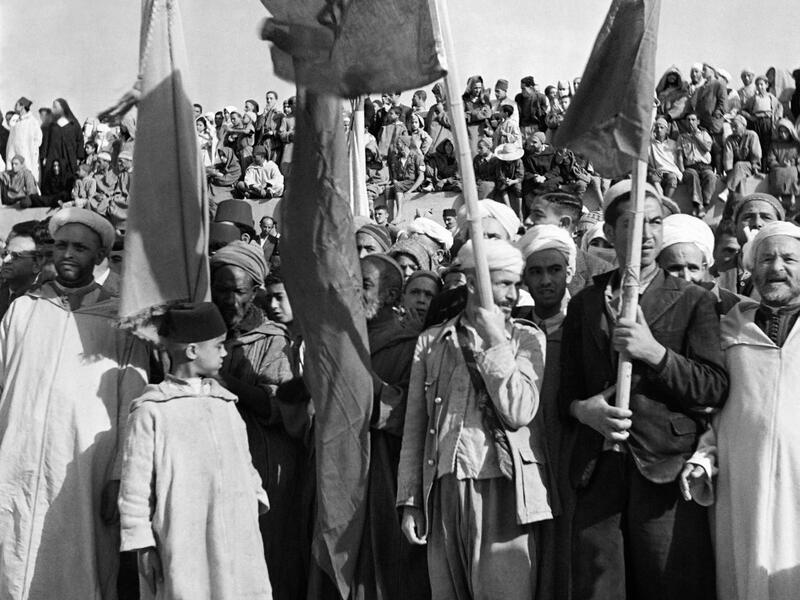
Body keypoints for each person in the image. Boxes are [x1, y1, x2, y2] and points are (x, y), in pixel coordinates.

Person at [560, 181, 728, 600]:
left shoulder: (692, 300)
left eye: (655, 222)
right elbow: (566, 393)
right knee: (600, 588)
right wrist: (586, 412)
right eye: (633, 224)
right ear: (612, 232)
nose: (647, 235)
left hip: (665, 472)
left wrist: (656, 354)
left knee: (669, 584)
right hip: (598, 473)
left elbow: (713, 386)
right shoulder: (584, 304)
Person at [0, 208, 149, 600]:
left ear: (99, 257)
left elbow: (134, 404)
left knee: (80, 567)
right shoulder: (23, 309)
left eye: (80, 248)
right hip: (16, 459)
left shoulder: (121, 321)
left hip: (85, 469)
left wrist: (120, 474)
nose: (67, 254)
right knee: (13, 562)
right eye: (61, 245)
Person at [397, 238, 553, 600]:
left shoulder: (527, 340)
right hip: (446, 488)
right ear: (472, 282)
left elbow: (520, 410)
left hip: (505, 487)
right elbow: (415, 429)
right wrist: (411, 501)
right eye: (503, 283)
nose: (513, 294)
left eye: (516, 284)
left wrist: (495, 337)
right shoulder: (432, 343)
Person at [680, 222, 800, 600]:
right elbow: (720, 414)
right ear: (751, 268)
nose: (776, 267)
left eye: (789, 258)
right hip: (742, 486)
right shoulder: (730, 329)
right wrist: (704, 457)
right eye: (766, 258)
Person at [119, 302, 271, 600]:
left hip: (238, 535)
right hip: (183, 536)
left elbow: (246, 465)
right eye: (218, 346)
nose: (225, 352)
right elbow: (135, 489)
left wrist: (254, 499)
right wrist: (143, 543)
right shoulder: (153, 412)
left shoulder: (225, 405)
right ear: (192, 351)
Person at [210, 242, 305, 598]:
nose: (230, 300)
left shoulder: (273, 340)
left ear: (255, 291)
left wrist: (222, 379)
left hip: (265, 462)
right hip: (212, 461)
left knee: (267, 556)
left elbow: (280, 405)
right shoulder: (201, 336)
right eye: (222, 289)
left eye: (239, 291)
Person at [358, 254, 431, 600]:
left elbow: (407, 412)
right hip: (343, 470)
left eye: (365, 285)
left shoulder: (410, 345)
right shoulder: (343, 342)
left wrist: (358, 375)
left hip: (384, 473)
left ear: (390, 296)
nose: (354, 292)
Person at [514, 224, 577, 598]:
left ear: (569, 272)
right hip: (530, 453)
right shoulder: (517, 328)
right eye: (536, 271)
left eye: (554, 270)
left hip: (570, 451)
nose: (546, 280)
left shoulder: (586, 322)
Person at [527, 191, 614, 293]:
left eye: (538, 215)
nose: (527, 221)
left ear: (564, 223)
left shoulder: (600, 271)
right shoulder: (522, 264)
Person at [658, 213, 741, 315]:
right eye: (675, 268)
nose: (686, 278)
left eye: (693, 268)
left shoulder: (731, 307)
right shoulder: (641, 307)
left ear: (704, 268)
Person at [719, 193, 785, 297]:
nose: (757, 223)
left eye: (766, 217)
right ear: (735, 228)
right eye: (748, 217)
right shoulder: (712, 274)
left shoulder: (792, 276)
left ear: (780, 228)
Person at [677, 112, 717, 216]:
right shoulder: (681, 137)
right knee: (692, 175)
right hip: (690, 166)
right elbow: (680, 156)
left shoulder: (704, 134)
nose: (690, 122)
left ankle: (704, 203)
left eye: (693, 119)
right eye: (688, 120)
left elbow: (707, 148)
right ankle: (699, 206)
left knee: (710, 176)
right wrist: (681, 171)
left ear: (698, 122)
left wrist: (696, 137)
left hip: (704, 165)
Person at [688, 64, 726, 171]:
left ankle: (719, 172)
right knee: (705, 146)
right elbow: (695, 103)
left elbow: (723, 102)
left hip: (714, 122)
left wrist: (717, 113)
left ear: (712, 71)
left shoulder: (719, 84)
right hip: (703, 122)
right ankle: (709, 170)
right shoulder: (702, 87)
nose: (703, 72)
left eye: (705, 70)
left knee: (716, 147)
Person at [742, 76, 783, 171]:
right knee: (757, 144)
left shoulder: (771, 97)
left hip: (767, 123)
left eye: (761, 84)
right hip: (756, 122)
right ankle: (758, 167)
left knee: (767, 145)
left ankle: (766, 168)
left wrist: (777, 118)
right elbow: (743, 110)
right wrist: (750, 117)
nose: (759, 87)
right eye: (757, 85)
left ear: (766, 85)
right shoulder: (753, 98)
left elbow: (779, 107)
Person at [41, 98, 84, 185]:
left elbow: (80, 140)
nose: (53, 109)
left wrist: (79, 157)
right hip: (53, 154)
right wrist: (44, 156)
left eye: (55, 107)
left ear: (63, 108)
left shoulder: (73, 123)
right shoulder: (51, 124)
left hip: (69, 156)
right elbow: (46, 140)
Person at [0, 230, 41, 318]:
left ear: (36, 266)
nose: (5, 260)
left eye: (16, 256)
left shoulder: (39, 304)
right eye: (6, 253)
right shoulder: (2, 291)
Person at [766, 118, 800, 212]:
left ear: (790, 132)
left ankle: (793, 197)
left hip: (793, 167)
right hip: (778, 167)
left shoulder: (796, 145)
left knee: (792, 171)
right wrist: (780, 164)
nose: (783, 134)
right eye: (781, 132)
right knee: (778, 172)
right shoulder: (774, 144)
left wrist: (793, 164)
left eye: (785, 132)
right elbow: (770, 159)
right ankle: (779, 197)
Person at [6, 97, 42, 184]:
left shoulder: (32, 121)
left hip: (27, 156)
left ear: (22, 106)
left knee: (28, 178)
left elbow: (38, 139)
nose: (15, 107)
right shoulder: (15, 121)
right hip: (14, 156)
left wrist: (31, 150)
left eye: (17, 105)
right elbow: (11, 140)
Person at [724, 114, 762, 197]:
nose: (733, 129)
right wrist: (729, 173)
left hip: (750, 167)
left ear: (744, 126)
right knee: (738, 171)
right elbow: (728, 158)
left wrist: (755, 168)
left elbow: (756, 154)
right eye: (732, 126)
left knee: (739, 165)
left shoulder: (752, 135)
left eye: (735, 126)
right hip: (736, 170)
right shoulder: (729, 139)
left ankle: (727, 190)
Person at [388, 136, 424, 223]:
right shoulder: (397, 159)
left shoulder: (416, 157)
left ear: (405, 144)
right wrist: (395, 182)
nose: (397, 146)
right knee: (387, 189)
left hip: (412, 183)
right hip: (401, 185)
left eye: (399, 144)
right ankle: (389, 218)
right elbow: (395, 177)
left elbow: (421, 176)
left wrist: (411, 190)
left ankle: (399, 215)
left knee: (397, 185)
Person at [647, 116, 681, 198]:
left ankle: (666, 200)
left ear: (666, 130)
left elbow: (676, 161)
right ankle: (661, 198)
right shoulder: (650, 144)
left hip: (670, 170)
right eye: (657, 127)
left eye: (662, 127)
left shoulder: (673, 143)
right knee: (654, 177)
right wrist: (654, 170)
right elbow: (646, 161)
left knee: (672, 180)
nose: (659, 130)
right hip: (657, 171)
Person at [493, 142, 524, 218]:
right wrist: (505, 180)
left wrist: (513, 181)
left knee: (518, 188)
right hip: (505, 180)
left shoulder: (518, 162)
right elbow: (499, 175)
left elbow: (520, 176)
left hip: (514, 180)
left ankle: (520, 211)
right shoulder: (500, 162)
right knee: (501, 187)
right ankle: (509, 207)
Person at [656, 66, 690, 133]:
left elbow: (681, 107)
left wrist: (668, 116)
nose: (672, 77)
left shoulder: (682, 92)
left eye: (674, 75)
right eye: (670, 75)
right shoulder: (661, 92)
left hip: (674, 123)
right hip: (660, 121)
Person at [255, 91, 284, 162]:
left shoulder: (279, 115)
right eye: (267, 99)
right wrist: (263, 115)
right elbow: (258, 128)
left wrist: (273, 132)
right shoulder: (263, 115)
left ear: (276, 100)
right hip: (264, 145)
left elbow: (282, 131)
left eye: (271, 98)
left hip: (274, 145)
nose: (268, 101)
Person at [278, 97, 295, 177]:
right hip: (289, 147)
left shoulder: (305, 118)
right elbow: (281, 134)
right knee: (287, 169)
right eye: (293, 104)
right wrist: (290, 135)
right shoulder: (286, 119)